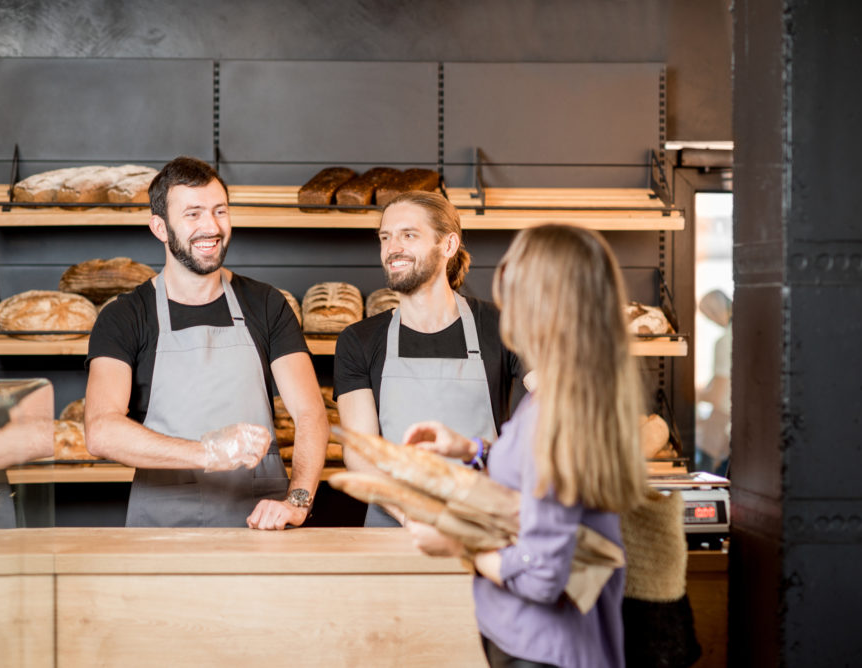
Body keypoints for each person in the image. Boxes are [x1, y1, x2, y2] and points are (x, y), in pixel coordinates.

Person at [404, 224, 647, 668]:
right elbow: (542, 477)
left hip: (543, 650)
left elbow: (540, 577)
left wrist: (457, 544)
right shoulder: (574, 389)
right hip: (531, 640)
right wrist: (471, 449)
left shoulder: (560, 411)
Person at [85, 156, 328, 528]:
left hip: (260, 522)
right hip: (163, 526)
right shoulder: (125, 316)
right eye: (193, 214)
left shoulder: (266, 304)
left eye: (219, 211)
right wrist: (209, 452)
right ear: (160, 228)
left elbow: (311, 414)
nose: (211, 227)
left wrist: (298, 501)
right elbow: (101, 431)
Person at [334, 190, 524, 527]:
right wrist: (412, 516)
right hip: (392, 528)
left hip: (483, 522)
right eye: (386, 237)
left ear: (448, 245)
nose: (393, 248)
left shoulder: (502, 326)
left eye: (409, 235)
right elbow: (360, 453)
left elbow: (554, 403)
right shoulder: (359, 340)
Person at [696, 289, 732, 475]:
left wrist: (696, 395)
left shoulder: (724, 342)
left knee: (708, 480)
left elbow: (718, 397)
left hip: (722, 425)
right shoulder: (745, 333)